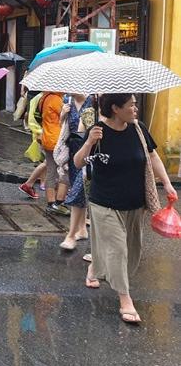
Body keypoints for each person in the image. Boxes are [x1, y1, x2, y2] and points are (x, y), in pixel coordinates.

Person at [73, 94, 177, 324]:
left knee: (131, 250)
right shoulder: (97, 131)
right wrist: (89, 142)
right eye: (131, 104)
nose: (135, 108)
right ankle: (125, 300)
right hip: (104, 203)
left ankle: (95, 268)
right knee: (118, 249)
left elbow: (152, 156)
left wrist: (167, 184)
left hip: (134, 203)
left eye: (135, 104)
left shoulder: (138, 129)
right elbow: (78, 162)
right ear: (115, 108)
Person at [59, 94, 96, 250]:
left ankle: (71, 234)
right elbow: (64, 127)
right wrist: (62, 115)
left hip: (89, 150)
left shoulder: (93, 101)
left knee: (77, 190)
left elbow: (93, 127)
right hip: (74, 150)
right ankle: (81, 229)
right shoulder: (67, 101)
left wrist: (85, 123)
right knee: (77, 187)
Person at [40, 92, 71, 216]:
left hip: (47, 137)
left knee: (51, 170)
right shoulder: (56, 99)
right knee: (61, 171)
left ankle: (51, 202)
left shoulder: (45, 97)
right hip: (56, 139)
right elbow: (64, 117)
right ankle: (57, 202)